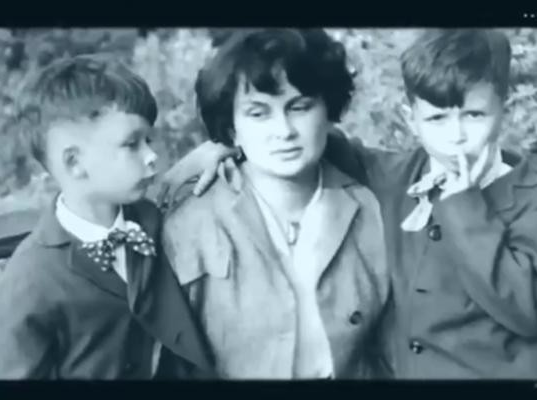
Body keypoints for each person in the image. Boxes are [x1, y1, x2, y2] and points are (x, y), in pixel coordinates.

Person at [162, 29, 537, 379]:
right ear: (412, 118)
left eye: (474, 116)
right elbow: (311, 145)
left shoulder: (535, 199)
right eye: (437, 119)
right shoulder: (396, 175)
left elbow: (530, 309)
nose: (456, 136)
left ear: (503, 109)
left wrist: (463, 204)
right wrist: (216, 149)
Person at [161, 29, 391, 379]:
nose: (283, 131)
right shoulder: (190, 225)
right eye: (258, 113)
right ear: (232, 128)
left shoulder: (371, 209)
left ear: (328, 110)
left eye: (299, 107)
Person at [0, 54, 215, 379]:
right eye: (132, 144)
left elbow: (165, 192)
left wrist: (204, 156)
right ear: (74, 163)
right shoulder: (26, 286)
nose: (151, 155)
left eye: (148, 140)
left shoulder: (147, 218)